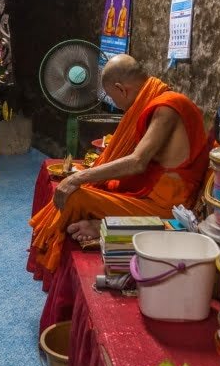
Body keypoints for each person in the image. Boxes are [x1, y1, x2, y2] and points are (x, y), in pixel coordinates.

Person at [29, 55, 209, 274]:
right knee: (94, 185)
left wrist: (77, 177)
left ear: (121, 89)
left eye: (113, 98)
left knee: (75, 195)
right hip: (149, 193)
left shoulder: (168, 107)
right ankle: (103, 224)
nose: (117, 106)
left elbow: (137, 162)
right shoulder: (158, 100)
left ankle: (82, 233)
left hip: (167, 209)